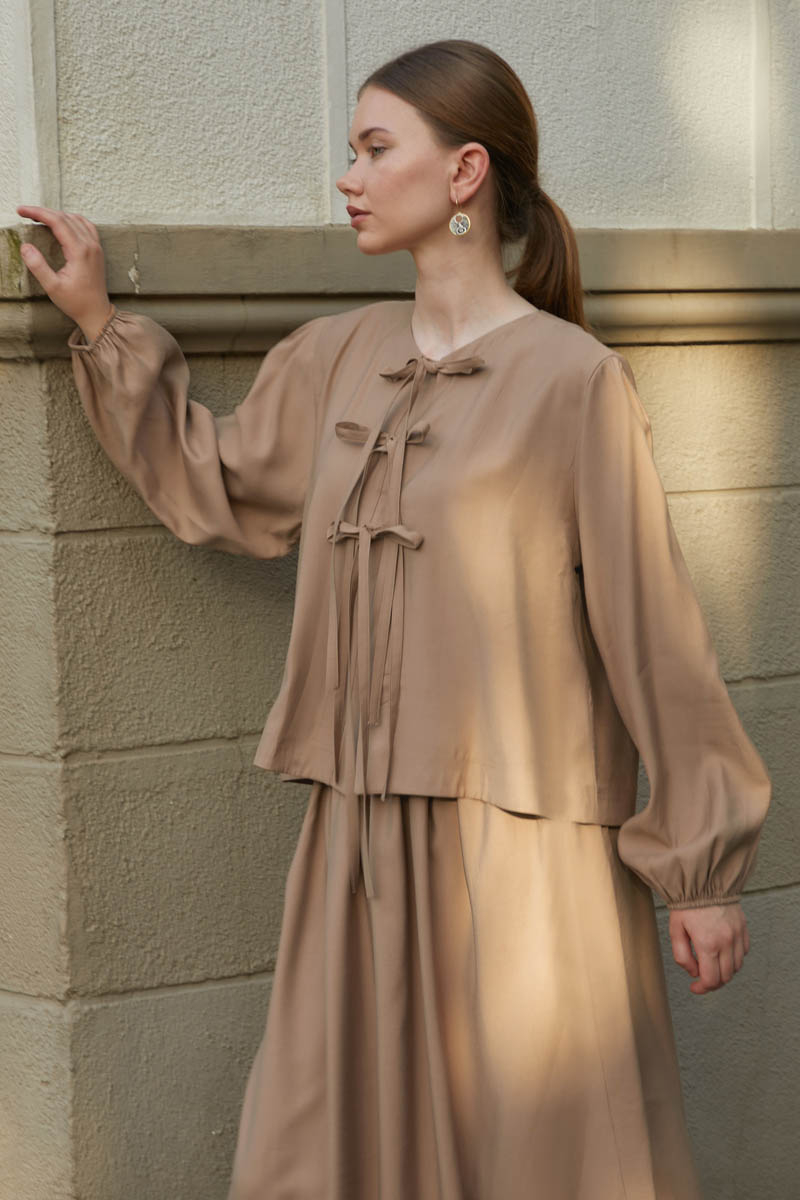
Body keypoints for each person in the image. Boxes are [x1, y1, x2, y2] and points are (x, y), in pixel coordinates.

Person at [17, 36, 771, 1200]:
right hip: (357, 843)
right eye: (351, 150)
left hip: (525, 853)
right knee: (328, 1148)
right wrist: (100, 324)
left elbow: (653, 631)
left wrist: (701, 868)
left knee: (536, 1159)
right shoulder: (337, 355)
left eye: (375, 149)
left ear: (464, 172)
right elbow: (219, 485)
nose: (348, 176)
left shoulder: (572, 380)